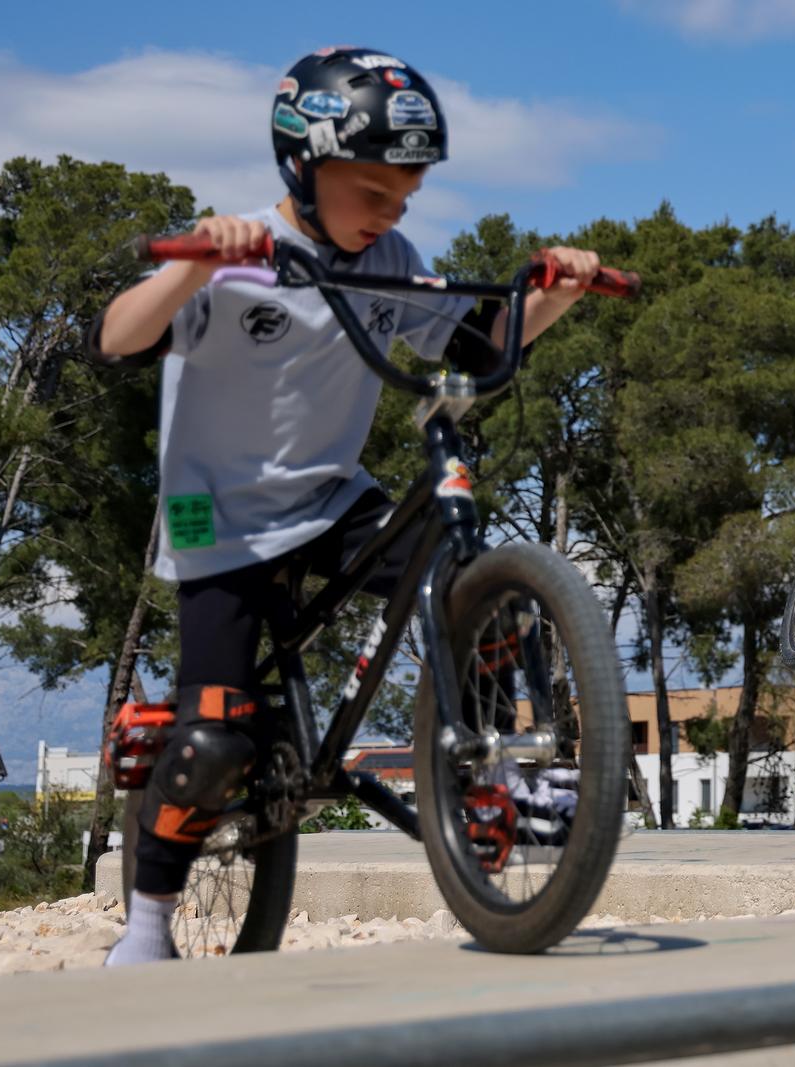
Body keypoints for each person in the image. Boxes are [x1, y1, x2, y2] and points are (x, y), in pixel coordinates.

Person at [90, 47, 603, 965]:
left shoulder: (393, 261)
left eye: (403, 197)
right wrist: (192, 266)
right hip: (219, 518)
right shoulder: (238, 256)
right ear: (304, 165)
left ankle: (489, 772)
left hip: (331, 500)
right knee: (213, 739)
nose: (391, 214)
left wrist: (551, 297)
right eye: (373, 191)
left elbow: (477, 362)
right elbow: (119, 338)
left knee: (485, 588)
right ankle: (147, 923)